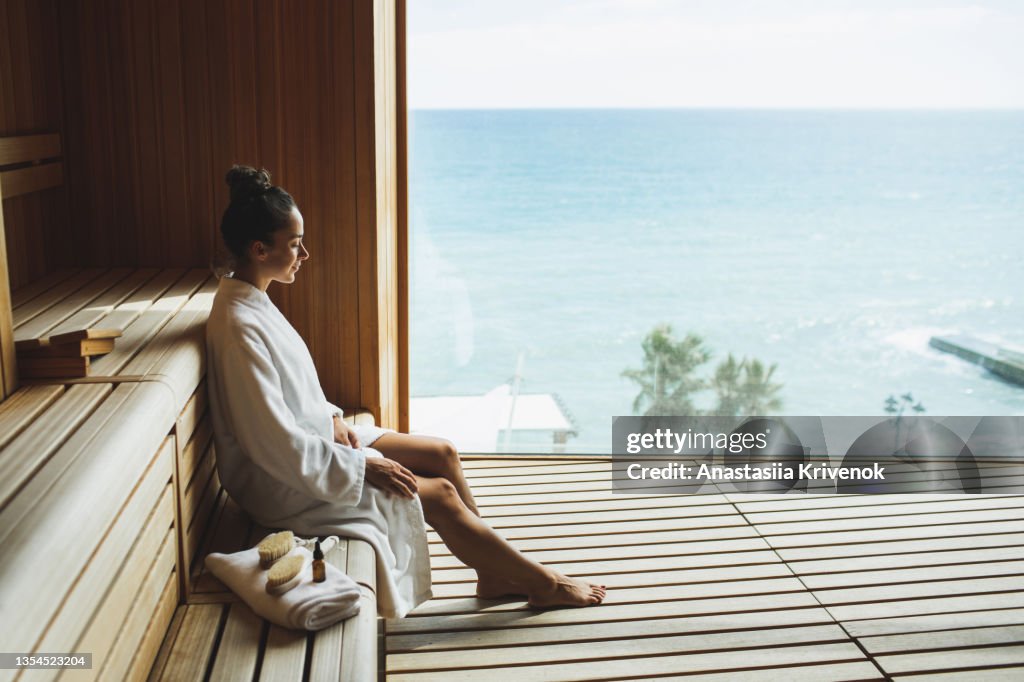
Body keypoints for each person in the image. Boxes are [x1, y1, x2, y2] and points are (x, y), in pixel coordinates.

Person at [206, 165, 606, 618]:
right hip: (283, 480)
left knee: (442, 452)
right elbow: (271, 443)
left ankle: (492, 573)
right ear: (260, 249)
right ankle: (544, 583)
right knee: (438, 495)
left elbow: (293, 391)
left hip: (318, 441)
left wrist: (334, 418)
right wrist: (361, 467)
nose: (306, 254)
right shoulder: (239, 325)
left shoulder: (251, 299)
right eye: (296, 244)